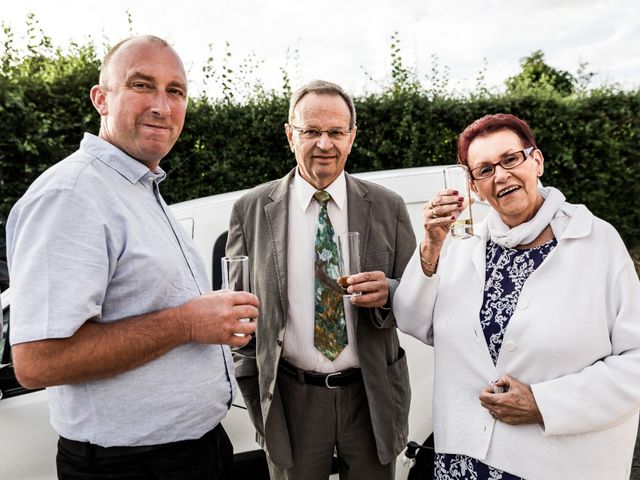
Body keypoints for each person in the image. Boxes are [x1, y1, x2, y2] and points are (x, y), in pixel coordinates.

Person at [6, 35, 259, 479]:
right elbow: (38, 362)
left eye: (175, 91)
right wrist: (188, 323)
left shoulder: (137, 186)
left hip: (193, 452)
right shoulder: (71, 194)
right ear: (101, 99)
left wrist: (210, 320)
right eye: (142, 85)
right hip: (131, 468)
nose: (162, 105)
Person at [393, 113, 640, 479]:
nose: (501, 176)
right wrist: (430, 245)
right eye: (484, 169)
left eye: (510, 159)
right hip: (464, 461)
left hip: (553, 464)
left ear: (536, 160)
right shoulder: (462, 244)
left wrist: (543, 403)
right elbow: (414, 320)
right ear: (475, 187)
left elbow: (635, 361)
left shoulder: (597, 242)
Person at [226, 80, 415, 479]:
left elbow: (416, 294)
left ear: (352, 137)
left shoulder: (388, 207)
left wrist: (390, 292)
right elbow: (237, 307)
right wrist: (247, 371)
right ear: (289, 134)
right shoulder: (250, 210)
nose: (324, 144)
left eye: (335, 132)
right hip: (292, 399)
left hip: (372, 394)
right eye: (311, 131)